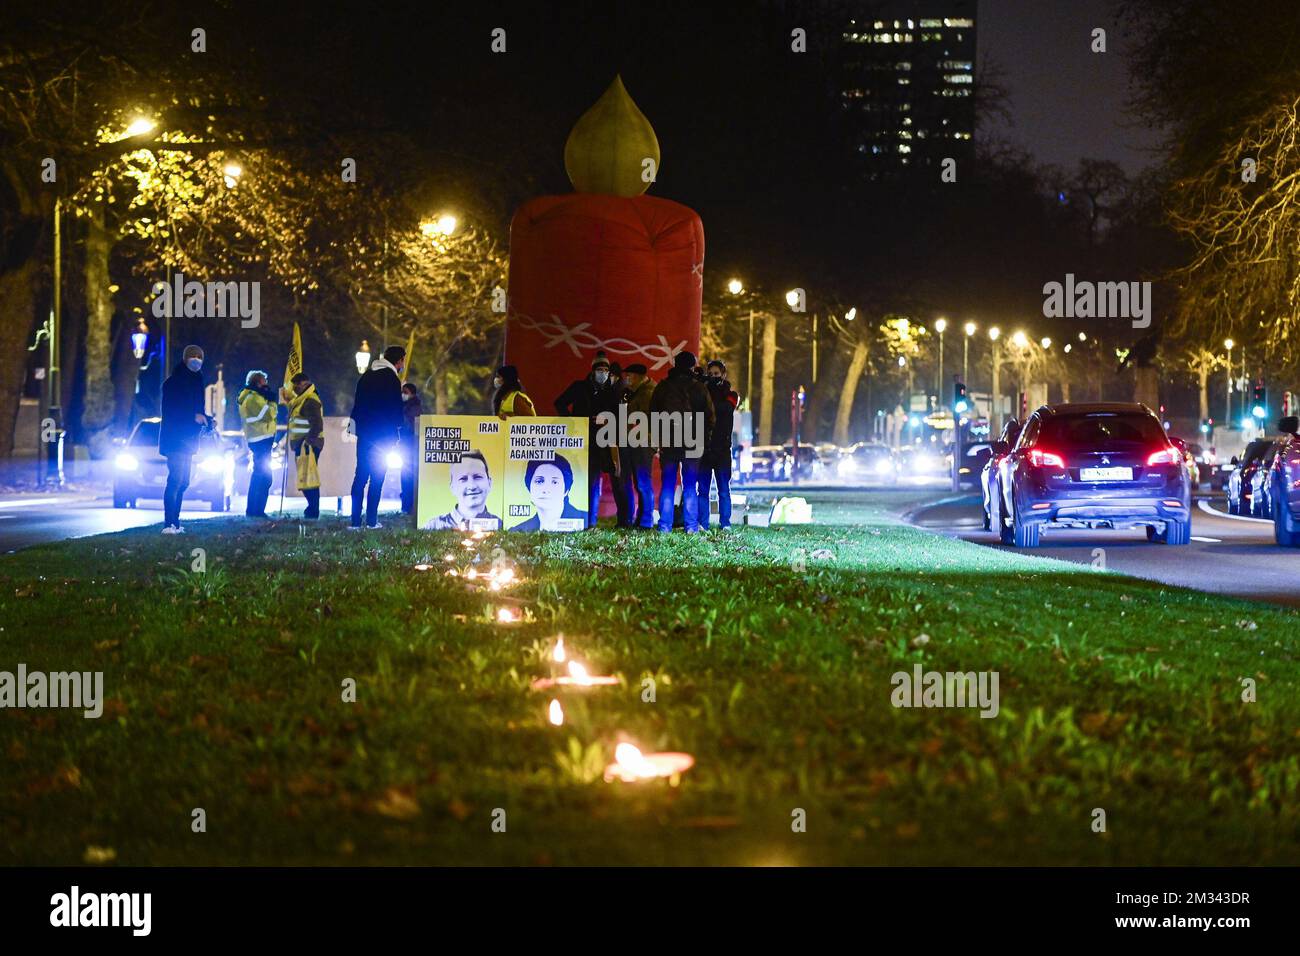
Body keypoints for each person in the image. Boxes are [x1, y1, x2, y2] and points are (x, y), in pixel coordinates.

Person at [650, 351, 714, 533]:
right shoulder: (699, 388)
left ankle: (664, 526)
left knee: (668, 485)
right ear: (692, 366)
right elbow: (710, 417)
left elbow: (652, 413)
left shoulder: (663, 386)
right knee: (690, 486)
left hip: (669, 441)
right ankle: (691, 527)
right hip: (692, 442)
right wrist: (703, 439)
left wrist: (657, 439)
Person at [554, 352, 617, 528]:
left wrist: (607, 420)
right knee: (577, 478)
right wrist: (574, 422)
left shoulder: (611, 391)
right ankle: (575, 517)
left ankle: (591, 522)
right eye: (599, 369)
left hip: (600, 443)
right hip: (579, 441)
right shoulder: (579, 387)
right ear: (592, 370)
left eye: (606, 369)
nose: (603, 372)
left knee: (594, 481)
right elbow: (559, 403)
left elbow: (618, 414)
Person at [349, 345, 405, 529]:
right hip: (383, 436)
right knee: (378, 477)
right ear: (398, 361)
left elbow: (357, 403)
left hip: (365, 433)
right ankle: (372, 521)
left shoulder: (366, 376)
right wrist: (398, 430)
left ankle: (355, 521)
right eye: (402, 361)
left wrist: (354, 428)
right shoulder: (392, 379)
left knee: (360, 476)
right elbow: (396, 407)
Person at [159, 344, 210, 534]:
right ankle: (168, 524)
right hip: (175, 439)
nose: (197, 359)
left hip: (189, 440)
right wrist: (193, 417)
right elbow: (173, 410)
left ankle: (176, 523)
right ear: (185, 358)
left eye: (200, 356)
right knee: (175, 480)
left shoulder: (197, 381)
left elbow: (197, 410)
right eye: (193, 356)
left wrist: (206, 420)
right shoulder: (174, 382)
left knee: (184, 482)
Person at [698, 360, 738, 529]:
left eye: (716, 374)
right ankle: (703, 524)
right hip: (705, 448)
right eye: (711, 374)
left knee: (723, 490)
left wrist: (711, 393)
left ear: (723, 374)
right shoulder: (702, 392)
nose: (713, 377)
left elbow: (725, 409)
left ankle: (725, 524)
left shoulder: (731, 394)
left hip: (722, 450)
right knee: (703, 491)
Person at [238, 369, 278, 518]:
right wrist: (273, 402)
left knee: (263, 476)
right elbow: (269, 415)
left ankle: (257, 511)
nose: (266, 383)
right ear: (257, 382)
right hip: (260, 439)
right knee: (262, 476)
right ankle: (255, 511)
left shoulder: (255, 396)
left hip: (262, 439)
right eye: (264, 381)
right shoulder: (253, 398)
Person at [620, 363, 656, 528]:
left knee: (643, 482)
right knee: (640, 483)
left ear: (639, 377)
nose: (626, 379)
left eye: (630, 376)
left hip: (643, 442)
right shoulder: (636, 392)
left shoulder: (647, 394)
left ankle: (647, 520)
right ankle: (642, 518)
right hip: (636, 441)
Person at [425, 450, 500, 530]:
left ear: (489, 483)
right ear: (452, 487)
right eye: (463, 479)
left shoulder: (500, 525)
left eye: (477, 477)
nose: (472, 486)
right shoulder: (433, 526)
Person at [509, 454, 587, 530]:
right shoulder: (518, 531)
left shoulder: (586, 521)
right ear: (529, 487)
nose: (546, 490)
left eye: (554, 482)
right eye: (539, 481)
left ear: (566, 491)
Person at [286, 372, 325, 519]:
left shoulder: (309, 400)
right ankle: (312, 508)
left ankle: (313, 510)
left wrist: (308, 442)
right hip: (303, 444)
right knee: (306, 478)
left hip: (307, 445)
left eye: (296, 385)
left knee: (309, 478)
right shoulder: (301, 400)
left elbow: (317, 424)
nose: (294, 388)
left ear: (304, 383)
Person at [399, 382, 422, 515]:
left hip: (411, 446)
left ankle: (408, 506)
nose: (403, 395)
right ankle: (406, 505)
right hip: (406, 446)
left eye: (405, 392)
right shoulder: (406, 406)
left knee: (408, 477)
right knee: (405, 476)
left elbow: (410, 426)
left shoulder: (414, 407)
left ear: (412, 393)